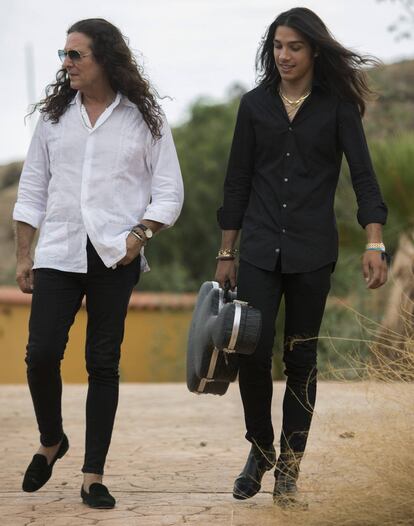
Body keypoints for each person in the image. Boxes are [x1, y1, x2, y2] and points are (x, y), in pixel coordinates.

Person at [215, 7, 388, 506]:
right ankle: (261, 447)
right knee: (248, 347)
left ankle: (288, 471)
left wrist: (374, 241)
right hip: (260, 249)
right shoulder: (253, 106)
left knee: (301, 358)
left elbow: (364, 179)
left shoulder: (337, 108)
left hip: (313, 252)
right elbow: (237, 181)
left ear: (314, 50)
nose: (284, 55)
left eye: (294, 46)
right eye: (277, 46)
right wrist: (227, 249)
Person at [14, 18, 183, 509]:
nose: (65, 64)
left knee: (101, 363)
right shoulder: (53, 119)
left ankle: (92, 475)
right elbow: (32, 190)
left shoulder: (143, 119)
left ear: (104, 58)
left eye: (75, 55)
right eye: (63, 55)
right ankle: (52, 440)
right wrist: (24, 254)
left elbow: (169, 190)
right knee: (41, 354)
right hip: (59, 251)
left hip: (115, 254)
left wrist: (140, 233)